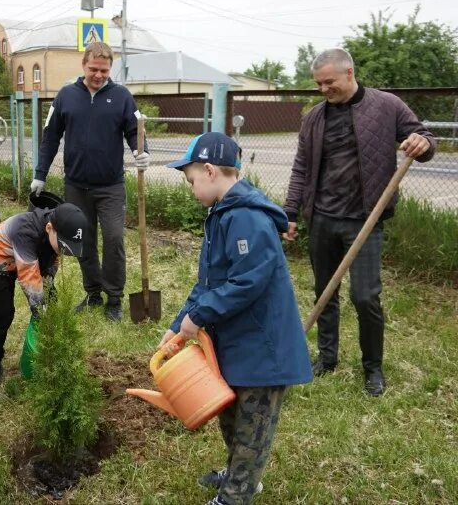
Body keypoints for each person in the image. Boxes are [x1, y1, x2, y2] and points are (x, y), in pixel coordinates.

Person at [159, 132, 312, 505]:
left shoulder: (246, 218)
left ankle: (237, 494)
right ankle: (240, 475)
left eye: (191, 179)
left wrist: (201, 314)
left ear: (210, 171)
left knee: (252, 426)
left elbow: (248, 281)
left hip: (263, 348)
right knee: (230, 413)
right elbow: (209, 281)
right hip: (238, 343)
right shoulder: (221, 214)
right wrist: (180, 323)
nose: (192, 187)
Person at [283, 48, 436, 396]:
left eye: (329, 82)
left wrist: (420, 141)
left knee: (365, 296)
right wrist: (291, 212)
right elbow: (301, 168)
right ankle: (327, 358)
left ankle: (373, 368)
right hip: (322, 217)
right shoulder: (314, 118)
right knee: (325, 291)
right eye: (318, 84)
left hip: (365, 220)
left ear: (350, 73)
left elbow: (426, 141)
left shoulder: (387, 106)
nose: (323, 89)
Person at [31, 41, 149, 322]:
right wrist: (40, 174)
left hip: (111, 186)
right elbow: (50, 138)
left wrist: (141, 151)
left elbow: (135, 131)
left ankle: (115, 299)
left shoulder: (122, 97)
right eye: (94, 69)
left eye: (104, 70)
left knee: (113, 238)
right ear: (83, 65)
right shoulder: (66, 96)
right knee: (82, 240)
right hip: (76, 185)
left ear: (110, 69)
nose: (98, 75)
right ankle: (93, 293)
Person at [0, 203, 88, 383]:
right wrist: (40, 313)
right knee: (4, 311)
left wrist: (49, 289)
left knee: (52, 300)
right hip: (0, 259)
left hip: (33, 255)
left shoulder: (56, 231)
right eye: (63, 246)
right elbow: (29, 279)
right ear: (49, 228)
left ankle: (50, 351)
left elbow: (51, 261)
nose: (63, 251)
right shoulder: (25, 231)